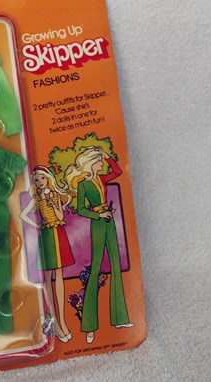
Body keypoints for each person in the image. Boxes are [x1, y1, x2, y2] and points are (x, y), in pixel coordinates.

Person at [65, 147, 133, 344]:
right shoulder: (83, 184)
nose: (101, 163)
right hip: (98, 223)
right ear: (91, 163)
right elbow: (80, 209)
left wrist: (106, 156)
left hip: (109, 222)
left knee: (116, 266)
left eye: (101, 161)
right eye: (99, 161)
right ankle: (89, 327)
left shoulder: (101, 179)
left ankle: (120, 319)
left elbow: (117, 171)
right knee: (95, 270)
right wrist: (98, 214)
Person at [20, 166, 75, 343]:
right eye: (36, 180)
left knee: (59, 276)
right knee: (48, 278)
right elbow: (23, 214)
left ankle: (62, 323)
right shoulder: (36, 199)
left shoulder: (54, 195)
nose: (40, 182)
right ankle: (56, 324)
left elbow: (60, 215)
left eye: (42, 178)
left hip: (58, 233)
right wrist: (36, 225)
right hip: (46, 236)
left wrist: (53, 204)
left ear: (48, 178)